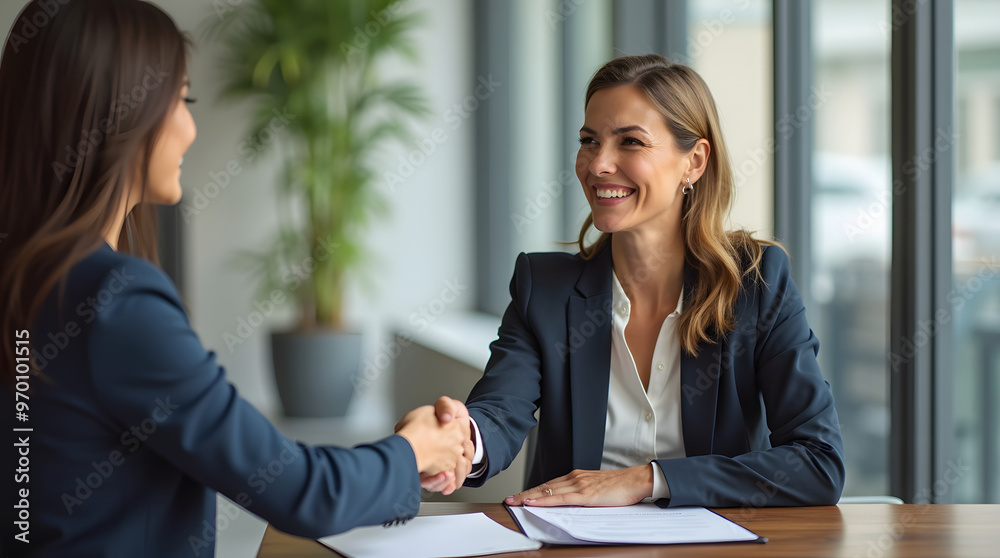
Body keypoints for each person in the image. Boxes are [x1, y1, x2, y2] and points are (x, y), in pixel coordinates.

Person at [0, 1, 470, 556]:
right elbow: (297, 489)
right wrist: (415, 450)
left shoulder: (28, 277)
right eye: (181, 99)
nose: (190, 127)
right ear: (119, 113)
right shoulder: (115, 301)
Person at [421, 54, 846, 508]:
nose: (598, 164)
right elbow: (500, 412)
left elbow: (818, 463)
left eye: (630, 142)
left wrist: (647, 479)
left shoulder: (756, 284)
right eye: (589, 141)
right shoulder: (543, 287)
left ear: (695, 162)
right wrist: (461, 442)